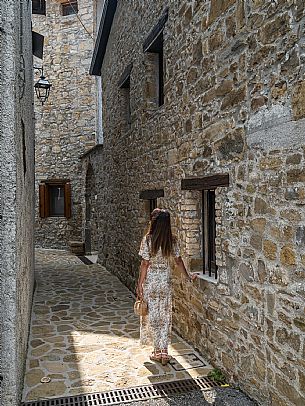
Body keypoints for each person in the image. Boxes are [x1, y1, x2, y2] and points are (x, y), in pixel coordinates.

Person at [137, 208, 197, 365]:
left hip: (151, 281)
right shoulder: (173, 240)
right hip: (165, 281)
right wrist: (188, 276)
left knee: (153, 315)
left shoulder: (148, 240)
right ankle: (164, 351)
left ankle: (157, 352)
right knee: (165, 316)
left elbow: (145, 263)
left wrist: (140, 284)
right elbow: (178, 261)